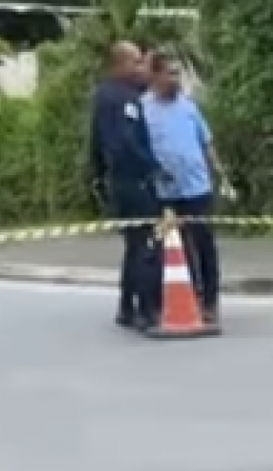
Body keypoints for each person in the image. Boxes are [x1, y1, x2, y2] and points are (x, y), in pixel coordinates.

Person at [142, 51, 230, 324]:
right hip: (164, 192)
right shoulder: (143, 108)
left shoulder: (188, 106)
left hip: (196, 187)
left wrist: (220, 174)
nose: (175, 79)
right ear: (155, 76)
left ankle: (210, 301)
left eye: (177, 73)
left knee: (204, 245)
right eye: (169, 73)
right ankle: (176, 298)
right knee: (168, 248)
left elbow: (206, 142)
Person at [90, 40, 167, 331]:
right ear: (120, 64)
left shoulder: (110, 95)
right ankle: (147, 310)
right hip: (131, 180)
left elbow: (95, 143)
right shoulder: (120, 98)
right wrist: (153, 167)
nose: (140, 68)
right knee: (146, 246)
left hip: (119, 179)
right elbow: (126, 143)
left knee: (134, 246)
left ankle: (126, 306)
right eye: (135, 62)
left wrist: (97, 176)